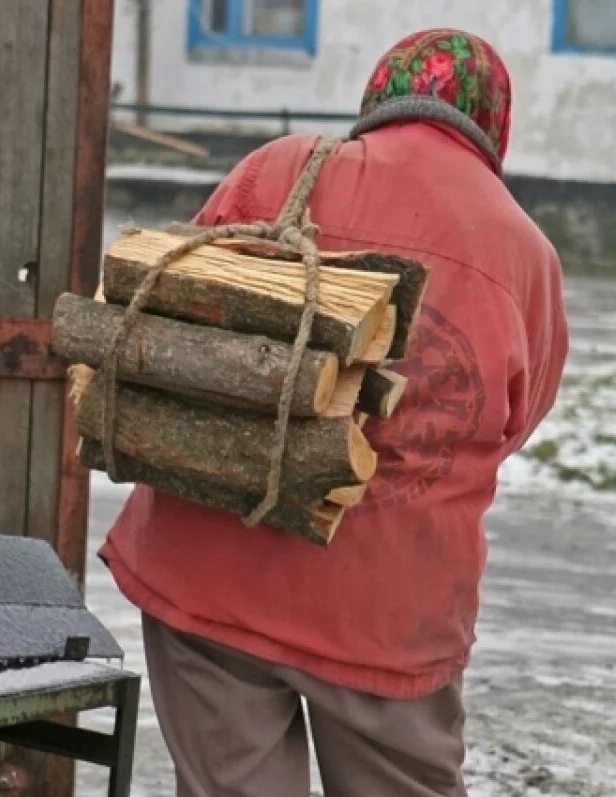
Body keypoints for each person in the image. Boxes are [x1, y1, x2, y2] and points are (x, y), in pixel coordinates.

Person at [100, 27, 568, 797]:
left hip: (211, 565)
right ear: (492, 122)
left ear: (379, 97)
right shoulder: (522, 250)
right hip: (387, 613)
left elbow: (182, 313)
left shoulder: (281, 169)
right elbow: (518, 418)